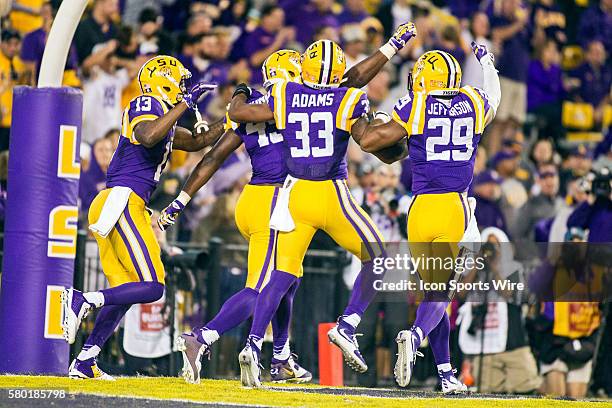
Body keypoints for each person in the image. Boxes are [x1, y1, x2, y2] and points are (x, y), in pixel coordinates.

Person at [227, 24, 417, 387]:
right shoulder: (347, 99)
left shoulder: (284, 91)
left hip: (293, 193)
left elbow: (240, 114)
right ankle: (347, 325)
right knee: (379, 257)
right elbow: (370, 142)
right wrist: (402, 138)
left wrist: (238, 95)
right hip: (330, 192)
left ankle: (253, 344)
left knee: (280, 276)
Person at [60, 55, 223, 380]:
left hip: (122, 205)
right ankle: (83, 300)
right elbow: (148, 135)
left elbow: (198, 142)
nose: (182, 89)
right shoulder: (146, 102)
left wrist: (231, 118)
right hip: (122, 202)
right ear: (164, 80)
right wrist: (183, 106)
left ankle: (85, 360)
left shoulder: (164, 115)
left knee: (127, 290)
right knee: (151, 286)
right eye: (179, 82)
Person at [356, 42, 501, 393]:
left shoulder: (416, 104)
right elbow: (493, 96)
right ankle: (416, 335)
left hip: (419, 209)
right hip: (453, 207)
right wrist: (487, 63)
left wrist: (361, 119)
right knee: (441, 294)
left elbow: (374, 140)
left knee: (432, 293)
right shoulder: (472, 101)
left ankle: (447, 374)